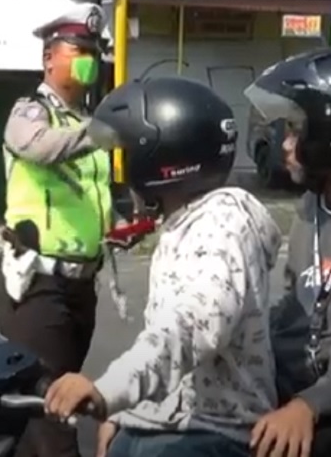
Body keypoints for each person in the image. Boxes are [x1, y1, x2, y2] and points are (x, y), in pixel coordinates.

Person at [42, 77, 283, 457]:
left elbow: (195, 323)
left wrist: (111, 389)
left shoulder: (222, 222)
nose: (123, 172)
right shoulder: (184, 224)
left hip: (213, 434)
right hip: (172, 425)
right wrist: (129, 412)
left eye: (127, 154)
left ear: (160, 157)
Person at [0, 3, 115, 457]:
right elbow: (39, 149)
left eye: (94, 52)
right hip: (36, 284)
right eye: (78, 50)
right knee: (55, 415)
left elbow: (93, 195)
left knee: (46, 407)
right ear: (49, 59)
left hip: (81, 287)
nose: (89, 60)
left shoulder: (87, 122)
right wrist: (103, 131)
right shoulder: (29, 113)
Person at [244, 48, 331, 457]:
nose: (285, 145)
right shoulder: (313, 206)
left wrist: (311, 404)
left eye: (296, 131)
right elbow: (294, 308)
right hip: (293, 387)